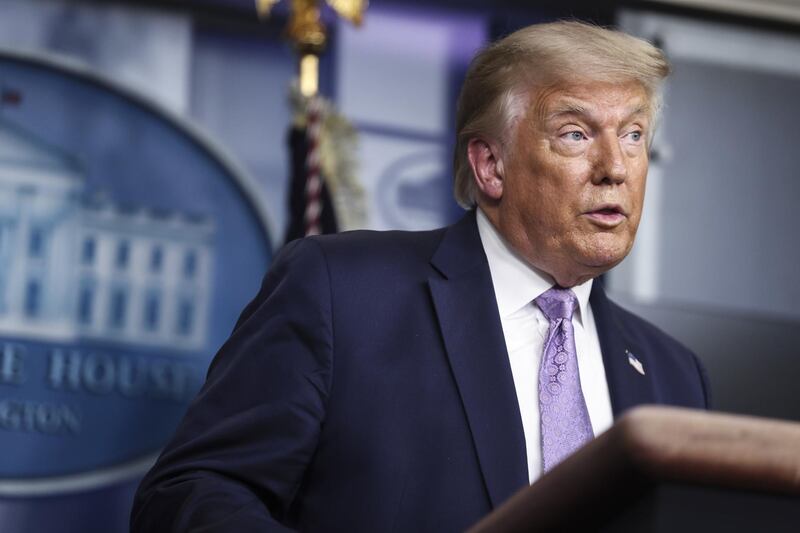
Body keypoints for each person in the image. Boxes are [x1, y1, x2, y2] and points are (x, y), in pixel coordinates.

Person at [131, 20, 710, 532]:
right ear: (490, 165)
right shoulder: (342, 293)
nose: (615, 168)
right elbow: (188, 496)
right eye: (576, 134)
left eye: (633, 135)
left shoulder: (674, 376)